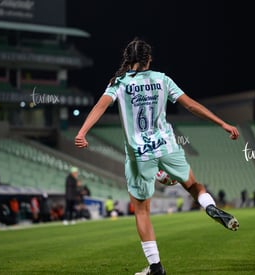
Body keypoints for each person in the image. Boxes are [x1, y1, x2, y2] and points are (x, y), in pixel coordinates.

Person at [74, 38, 240, 275]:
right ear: (148, 59)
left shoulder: (119, 83)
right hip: (168, 146)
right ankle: (210, 206)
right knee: (193, 184)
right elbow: (191, 105)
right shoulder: (162, 79)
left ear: (127, 60)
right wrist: (222, 123)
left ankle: (156, 267)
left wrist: (82, 132)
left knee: (142, 211)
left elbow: (101, 106)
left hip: (140, 154)